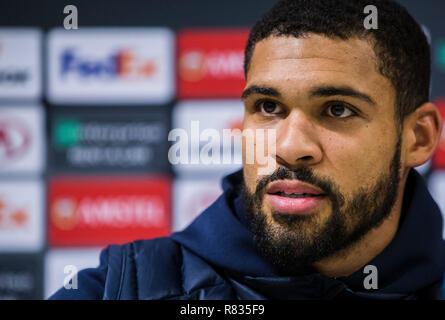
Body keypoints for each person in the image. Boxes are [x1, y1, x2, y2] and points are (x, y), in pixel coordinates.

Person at [50, 0, 445, 300]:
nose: (290, 148)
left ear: (419, 137)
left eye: (338, 110)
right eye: (268, 108)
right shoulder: (123, 288)